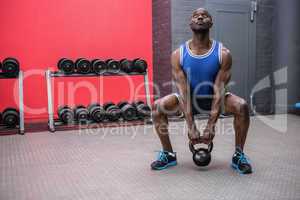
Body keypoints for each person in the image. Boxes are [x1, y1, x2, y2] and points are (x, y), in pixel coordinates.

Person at [151, 8, 252, 174]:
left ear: (211, 23)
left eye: (204, 16)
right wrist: (191, 126)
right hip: (189, 99)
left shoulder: (223, 54)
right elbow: (183, 93)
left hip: (214, 98)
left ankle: (239, 155)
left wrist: (211, 125)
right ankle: (168, 154)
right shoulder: (178, 55)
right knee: (157, 107)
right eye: (195, 16)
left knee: (241, 106)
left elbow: (219, 91)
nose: (199, 17)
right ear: (190, 23)